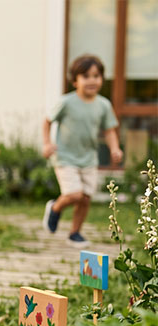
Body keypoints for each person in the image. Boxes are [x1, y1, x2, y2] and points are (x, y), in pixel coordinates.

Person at [42, 54, 122, 247]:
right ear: (75, 80)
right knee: (74, 194)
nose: (92, 80)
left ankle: (75, 232)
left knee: (85, 197)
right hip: (65, 157)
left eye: (96, 75)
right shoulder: (67, 102)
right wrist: (46, 143)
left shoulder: (103, 105)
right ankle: (55, 208)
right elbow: (47, 121)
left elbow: (110, 130)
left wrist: (115, 148)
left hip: (89, 159)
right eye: (86, 76)